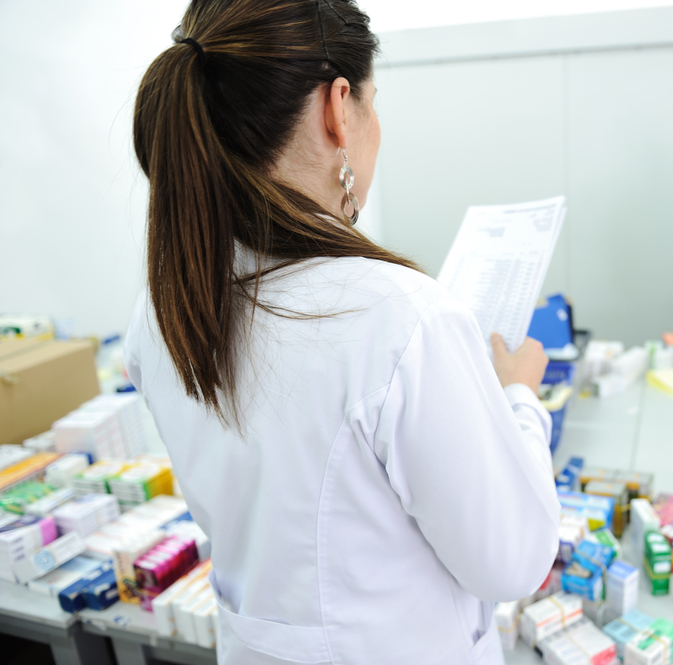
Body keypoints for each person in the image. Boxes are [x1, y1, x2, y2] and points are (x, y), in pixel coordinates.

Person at [123, 2, 559, 663]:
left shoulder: (164, 307)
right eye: (373, 102)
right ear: (338, 107)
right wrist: (519, 397)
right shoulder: (399, 318)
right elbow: (513, 560)